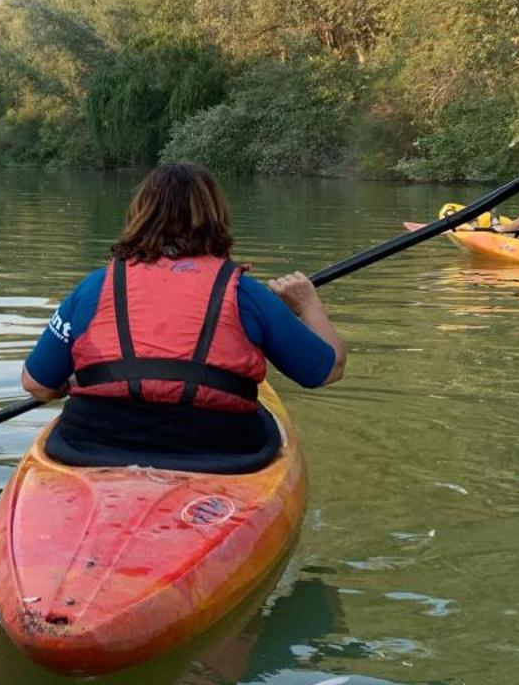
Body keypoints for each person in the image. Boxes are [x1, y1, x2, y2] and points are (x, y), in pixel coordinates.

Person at [18, 163, 345, 474]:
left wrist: (73, 382)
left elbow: (37, 385)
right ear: (216, 217)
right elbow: (327, 369)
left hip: (94, 442)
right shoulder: (244, 292)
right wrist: (307, 304)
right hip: (220, 451)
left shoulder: (93, 287)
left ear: (138, 215)